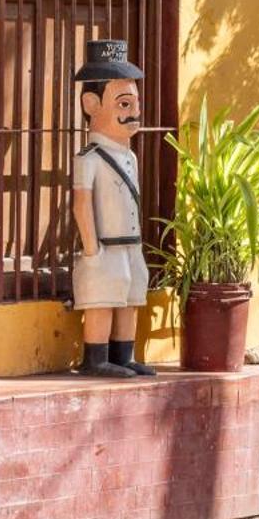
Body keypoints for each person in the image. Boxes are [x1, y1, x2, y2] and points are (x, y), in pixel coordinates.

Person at [70, 39, 155, 379]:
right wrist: (91, 248)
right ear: (91, 104)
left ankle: (124, 354)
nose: (133, 112)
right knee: (103, 297)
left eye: (135, 102)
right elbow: (81, 203)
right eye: (123, 103)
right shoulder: (89, 158)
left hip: (130, 243)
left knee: (130, 296)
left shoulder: (130, 156)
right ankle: (97, 357)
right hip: (105, 245)